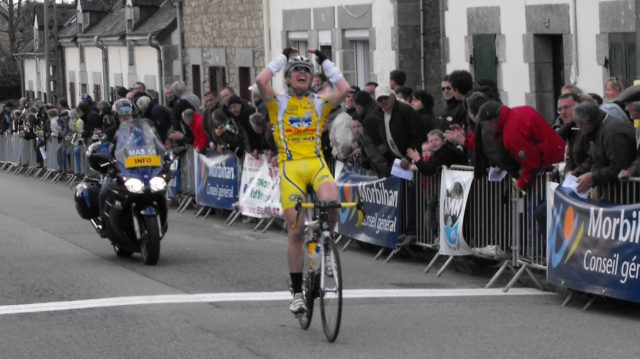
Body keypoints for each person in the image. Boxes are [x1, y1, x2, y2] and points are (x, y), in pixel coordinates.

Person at [255, 46, 350, 315]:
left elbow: (344, 88)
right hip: (291, 167)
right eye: (296, 70)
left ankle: (328, 246)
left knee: (332, 201)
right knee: (296, 230)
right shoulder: (278, 103)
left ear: (312, 78)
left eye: (306, 71)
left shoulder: (319, 102)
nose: (301, 73)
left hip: (316, 162)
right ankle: (297, 291)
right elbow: (262, 80)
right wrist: (282, 58)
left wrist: (324, 61)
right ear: (287, 78)